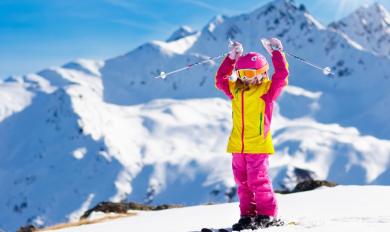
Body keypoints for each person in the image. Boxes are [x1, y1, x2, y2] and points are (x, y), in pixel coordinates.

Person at [215, 38, 289, 231]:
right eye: (241, 73)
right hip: (238, 147)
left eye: (249, 73)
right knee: (242, 183)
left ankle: (267, 214)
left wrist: (277, 53)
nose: (245, 78)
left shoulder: (267, 91)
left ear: (262, 73)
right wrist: (231, 59)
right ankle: (247, 215)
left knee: (258, 181)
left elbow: (281, 76)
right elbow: (220, 79)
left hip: (257, 145)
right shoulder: (236, 90)